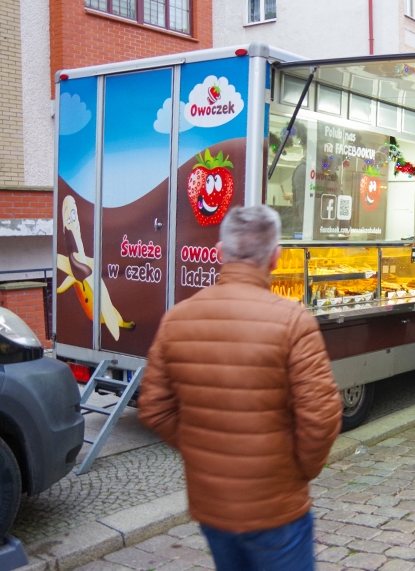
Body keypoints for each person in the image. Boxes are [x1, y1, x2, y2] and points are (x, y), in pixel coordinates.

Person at [138, 206, 343, 571]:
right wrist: (299, 470)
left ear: (218, 253)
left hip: (212, 504)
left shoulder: (178, 318)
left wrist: (204, 452)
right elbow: (321, 417)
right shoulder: (294, 321)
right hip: (277, 505)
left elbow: (154, 407)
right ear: (276, 258)